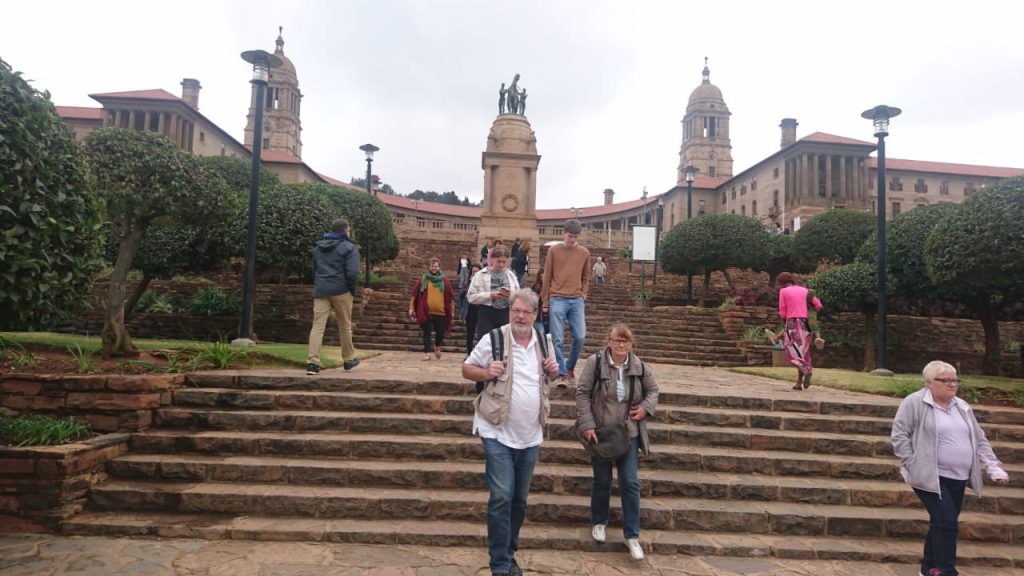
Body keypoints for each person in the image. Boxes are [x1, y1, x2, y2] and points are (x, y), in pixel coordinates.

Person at [463, 289, 559, 576]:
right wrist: (486, 372)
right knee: (502, 495)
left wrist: (554, 371)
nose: (520, 316)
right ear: (510, 311)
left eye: (526, 312)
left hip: (530, 434)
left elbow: (552, 377)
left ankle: (508, 551)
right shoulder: (493, 339)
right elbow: (467, 369)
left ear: (535, 315)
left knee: (519, 500)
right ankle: (500, 564)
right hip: (496, 430)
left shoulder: (545, 341)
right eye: (516, 310)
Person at [891, 361, 1009, 576]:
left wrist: (993, 466)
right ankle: (946, 571)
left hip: (959, 477)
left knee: (941, 523)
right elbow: (900, 436)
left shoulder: (961, 406)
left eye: (954, 380)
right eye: (945, 380)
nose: (951, 384)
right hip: (929, 476)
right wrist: (911, 463)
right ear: (929, 383)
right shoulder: (915, 403)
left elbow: (978, 438)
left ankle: (928, 570)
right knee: (947, 523)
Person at [575, 323, 658, 561]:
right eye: (617, 340)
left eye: (626, 341)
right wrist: (587, 424)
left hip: (628, 433)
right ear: (609, 341)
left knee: (630, 482)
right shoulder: (596, 362)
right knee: (601, 480)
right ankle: (599, 521)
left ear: (631, 344)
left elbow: (654, 391)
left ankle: (631, 535)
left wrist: (645, 408)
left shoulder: (639, 366)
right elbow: (582, 393)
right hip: (601, 433)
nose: (621, 345)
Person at [306, 219, 360, 375]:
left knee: (317, 327)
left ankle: (312, 363)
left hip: (322, 289)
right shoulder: (350, 248)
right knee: (345, 326)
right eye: (348, 230)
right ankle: (348, 361)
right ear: (344, 231)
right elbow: (353, 273)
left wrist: (319, 283)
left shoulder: (318, 247)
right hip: (342, 289)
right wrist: (352, 290)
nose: (349, 233)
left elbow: (314, 268)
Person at [542, 219, 591, 384]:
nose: (573, 239)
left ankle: (570, 365)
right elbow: (547, 276)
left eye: (575, 237)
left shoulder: (584, 253)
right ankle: (562, 371)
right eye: (570, 236)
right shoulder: (553, 251)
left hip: (576, 299)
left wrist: (583, 294)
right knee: (557, 339)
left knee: (580, 336)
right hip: (557, 297)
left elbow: (586, 276)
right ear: (564, 233)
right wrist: (545, 301)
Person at [776, 272, 821, 390]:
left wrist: (784, 326)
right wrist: (809, 311)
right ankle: (799, 382)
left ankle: (806, 370)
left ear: (781, 283)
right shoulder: (805, 291)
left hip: (792, 323)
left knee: (790, 352)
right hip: (806, 324)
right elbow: (818, 305)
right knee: (803, 353)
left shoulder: (783, 291)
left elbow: (783, 312)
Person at [408, 257, 455, 361]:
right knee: (427, 333)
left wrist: (452, 311)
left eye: (436, 266)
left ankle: (437, 347)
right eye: (432, 266)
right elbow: (414, 295)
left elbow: (451, 298)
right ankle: (427, 353)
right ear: (429, 267)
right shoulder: (423, 280)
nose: (434, 268)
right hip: (426, 311)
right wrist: (411, 308)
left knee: (440, 333)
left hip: (441, 312)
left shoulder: (445, 281)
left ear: (439, 267)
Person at [463, 263, 482, 356]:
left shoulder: (484, 283)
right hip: (471, 310)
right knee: (470, 333)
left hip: (481, 310)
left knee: (481, 333)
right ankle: (469, 353)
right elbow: (461, 296)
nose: (475, 273)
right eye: (473, 271)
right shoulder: (467, 283)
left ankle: (480, 354)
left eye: (477, 271)